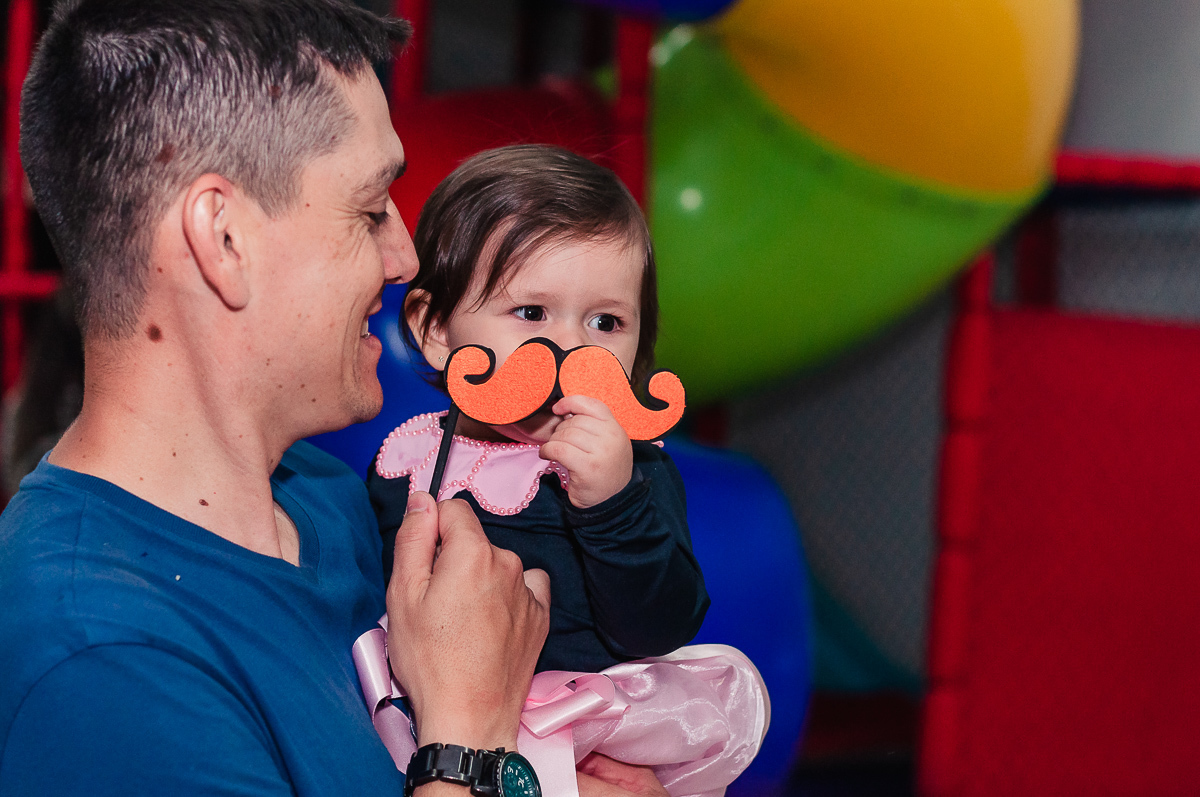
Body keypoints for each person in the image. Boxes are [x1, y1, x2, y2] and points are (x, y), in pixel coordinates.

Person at [0, 2, 666, 795]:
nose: (403, 255)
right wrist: (471, 742)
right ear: (223, 240)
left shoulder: (331, 497)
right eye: (370, 207)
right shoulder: (103, 654)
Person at [366, 146, 767, 797]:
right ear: (436, 327)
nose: (572, 352)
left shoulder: (631, 468)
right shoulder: (406, 456)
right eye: (531, 314)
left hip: (585, 730)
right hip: (427, 717)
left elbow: (661, 622)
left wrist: (611, 503)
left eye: (606, 321)